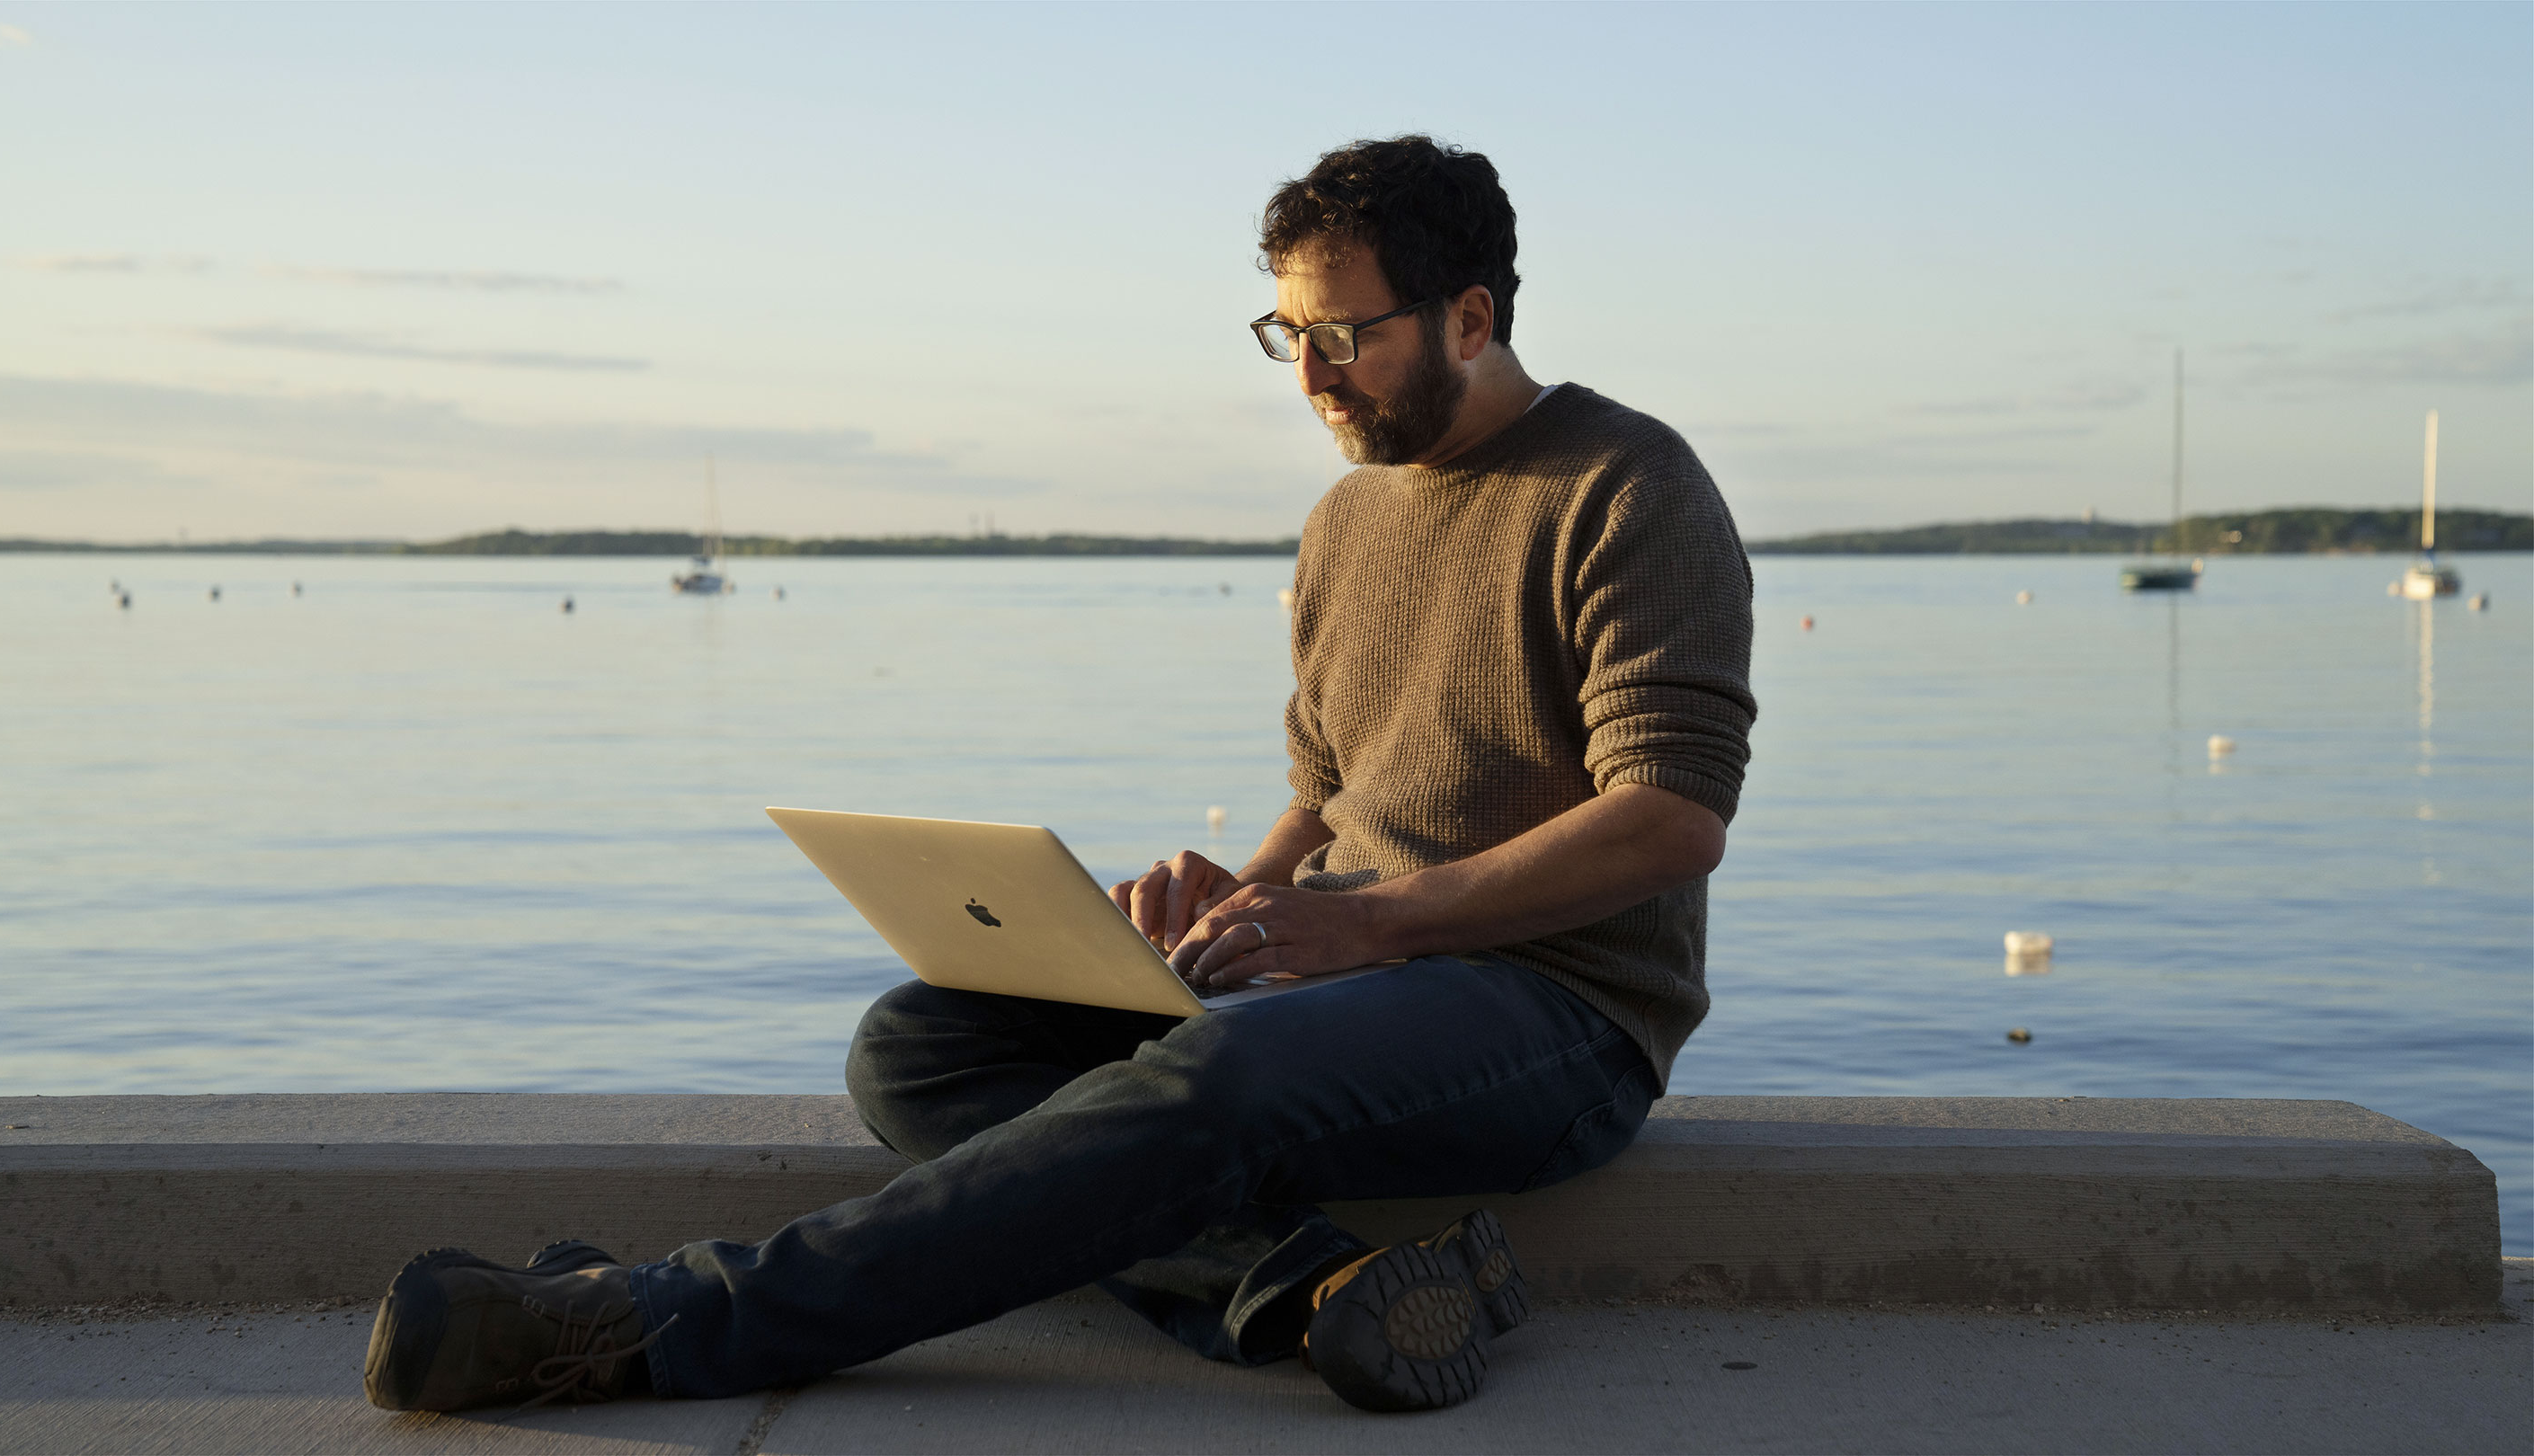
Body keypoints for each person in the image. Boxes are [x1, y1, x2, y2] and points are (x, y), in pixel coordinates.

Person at [360, 134, 1756, 1417]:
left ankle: (662, 1324)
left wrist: (1369, 922)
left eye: (1345, 335)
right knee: (919, 1042)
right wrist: (1239, 896)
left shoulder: (1628, 488)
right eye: (1288, 335)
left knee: (1218, 1069)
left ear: (1471, 314)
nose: (1311, 375)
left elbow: (1670, 818)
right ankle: (1309, 1294)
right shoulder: (1346, 522)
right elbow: (1332, 798)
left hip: (1556, 1013)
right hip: (1339, 975)